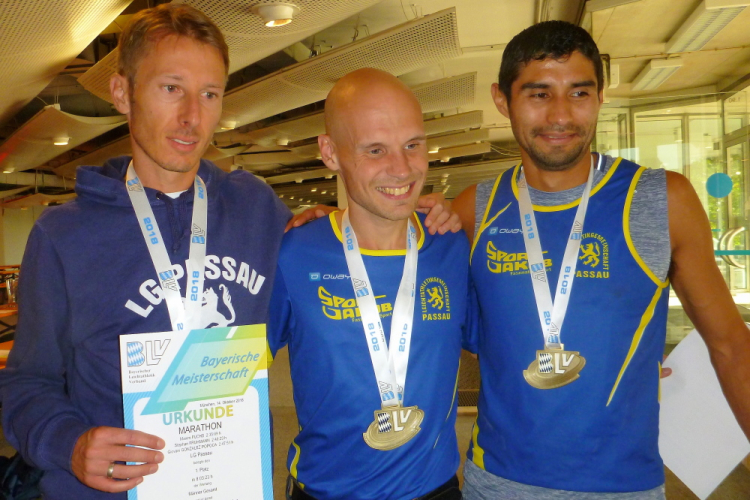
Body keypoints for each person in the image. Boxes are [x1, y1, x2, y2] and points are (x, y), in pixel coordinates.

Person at [0, 5, 291, 498]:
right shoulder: (62, 235)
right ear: (122, 93)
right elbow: (26, 381)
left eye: (209, 93)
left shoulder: (256, 209)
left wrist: (419, 218)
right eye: (171, 88)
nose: (192, 117)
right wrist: (70, 444)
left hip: (225, 479)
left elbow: (336, 263)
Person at [451, 20, 750, 499]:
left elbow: (732, 345)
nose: (561, 115)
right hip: (496, 483)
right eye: (539, 94)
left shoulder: (661, 200)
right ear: (502, 100)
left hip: (623, 488)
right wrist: (328, 224)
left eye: (579, 93)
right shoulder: (474, 210)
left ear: (600, 97)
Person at [268, 68, 473, 500]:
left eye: (412, 145)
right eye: (376, 149)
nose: (401, 169)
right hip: (325, 492)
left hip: (434, 491)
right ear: (330, 152)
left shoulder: (451, 247)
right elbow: (229, 376)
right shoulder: (294, 254)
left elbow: (512, 342)